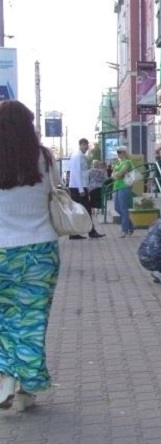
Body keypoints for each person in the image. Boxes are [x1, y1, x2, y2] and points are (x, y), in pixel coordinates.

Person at [0, 100, 61, 411]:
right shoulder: (45, 159)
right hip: (39, 252)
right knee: (32, 319)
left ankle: (5, 378)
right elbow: (56, 193)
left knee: (3, 319)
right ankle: (25, 387)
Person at [67, 138, 105, 240]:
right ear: (80, 145)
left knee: (81, 210)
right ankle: (89, 232)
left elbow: (82, 173)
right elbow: (75, 173)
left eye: (87, 145)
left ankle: (77, 233)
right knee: (84, 210)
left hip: (80, 187)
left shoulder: (81, 157)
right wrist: (81, 189)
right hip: (77, 188)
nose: (86, 147)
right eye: (84, 145)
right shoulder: (77, 156)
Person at [110, 146, 135, 237]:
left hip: (124, 187)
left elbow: (120, 173)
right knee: (117, 208)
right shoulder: (118, 163)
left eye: (120, 152)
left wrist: (116, 174)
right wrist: (116, 174)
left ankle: (124, 230)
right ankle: (131, 226)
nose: (118, 154)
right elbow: (113, 175)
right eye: (117, 152)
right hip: (117, 187)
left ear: (124, 153)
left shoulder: (127, 162)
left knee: (124, 209)